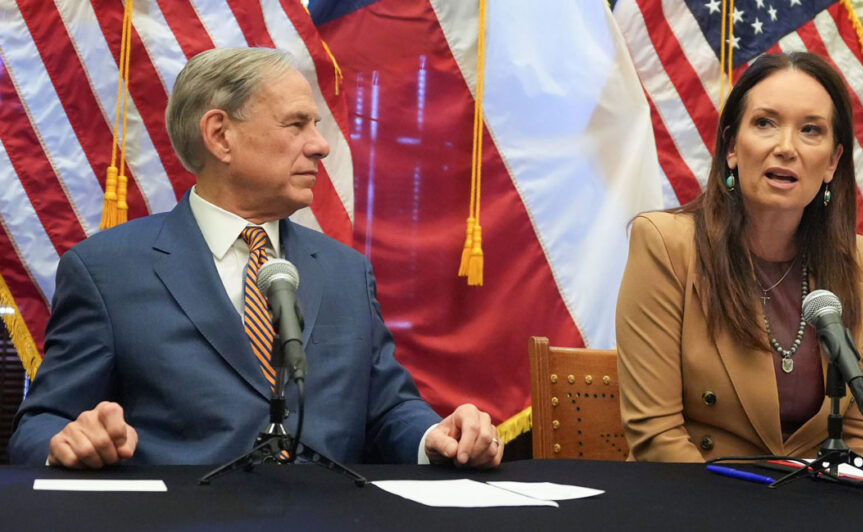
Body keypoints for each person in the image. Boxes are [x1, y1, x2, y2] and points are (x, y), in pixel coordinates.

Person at [10, 47, 503, 470]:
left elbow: (389, 410)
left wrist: (434, 438)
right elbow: (40, 425)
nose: (321, 145)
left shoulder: (346, 272)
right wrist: (67, 442)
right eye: (297, 124)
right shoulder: (106, 272)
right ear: (220, 135)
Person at [615, 52, 863, 462]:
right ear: (731, 147)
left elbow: (860, 435)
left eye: (810, 130)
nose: (786, 147)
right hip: (697, 503)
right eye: (765, 123)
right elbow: (657, 436)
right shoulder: (665, 245)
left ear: (832, 162)